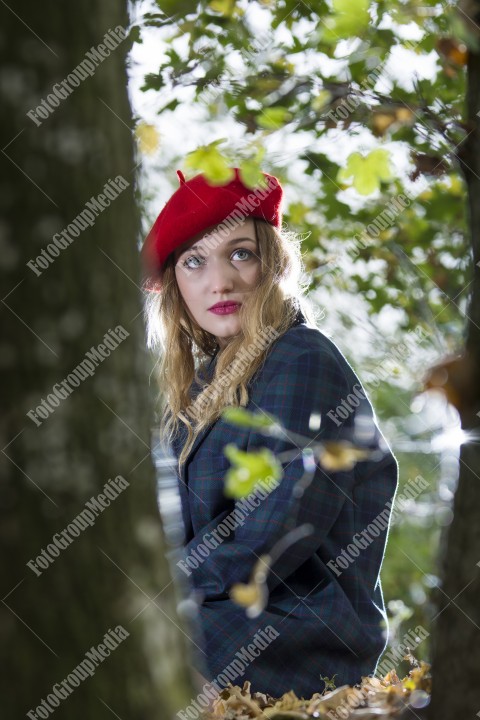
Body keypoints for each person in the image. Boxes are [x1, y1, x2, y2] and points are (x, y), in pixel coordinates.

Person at [142, 166, 398, 700]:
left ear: (273, 262)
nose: (220, 281)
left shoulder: (302, 357)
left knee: (138, 651)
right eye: (194, 262)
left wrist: (162, 593)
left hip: (298, 622)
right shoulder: (197, 392)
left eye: (241, 253)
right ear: (175, 289)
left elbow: (278, 531)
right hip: (217, 607)